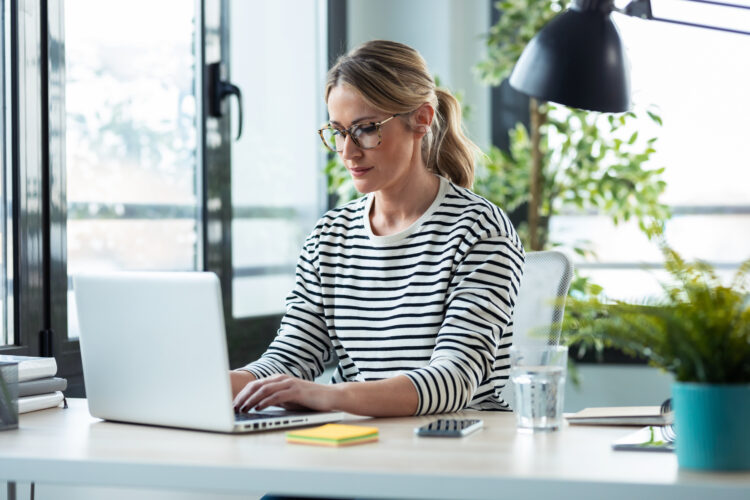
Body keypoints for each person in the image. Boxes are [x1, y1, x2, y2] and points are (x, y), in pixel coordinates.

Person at [231, 40, 524, 418]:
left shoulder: (479, 230)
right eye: (338, 132)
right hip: (359, 444)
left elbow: (454, 379)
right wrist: (208, 383)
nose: (348, 152)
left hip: (454, 449)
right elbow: (289, 360)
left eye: (366, 129)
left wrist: (326, 396)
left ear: (421, 119)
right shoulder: (329, 238)